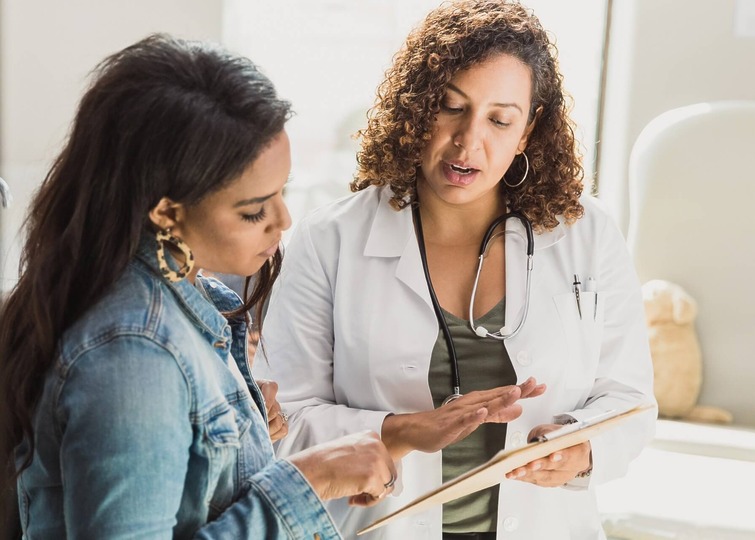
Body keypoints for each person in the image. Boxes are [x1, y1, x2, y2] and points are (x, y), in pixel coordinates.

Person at [259, 1, 657, 539]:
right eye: (450, 107)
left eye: (499, 119)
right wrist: (399, 431)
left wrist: (581, 449)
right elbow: (280, 422)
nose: (469, 141)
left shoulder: (586, 234)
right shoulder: (329, 239)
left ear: (529, 129)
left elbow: (630, 400)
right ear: (418, 108)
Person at [0, 34, 397, 539]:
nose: (283, 219)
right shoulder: (134, 353)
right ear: (166, 212)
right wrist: (308, 481)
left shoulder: (184, 300)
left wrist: (248, 444)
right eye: (253, 210)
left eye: (282, 192)